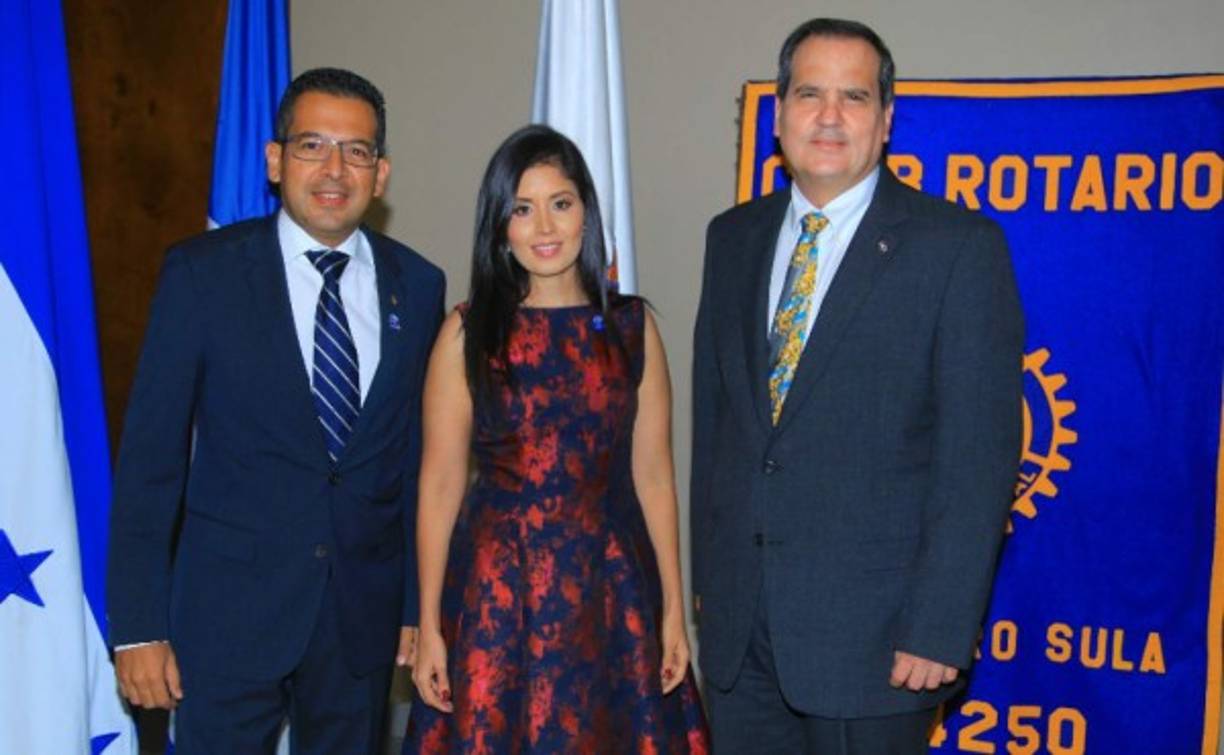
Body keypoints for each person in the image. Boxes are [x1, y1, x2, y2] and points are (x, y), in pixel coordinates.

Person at [690, 18, 1024, 754]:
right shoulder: (732, 239)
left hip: (880, 647)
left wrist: (939, 625)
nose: (831, 116)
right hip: (742, 642)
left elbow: (978, 461)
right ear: (780, 115)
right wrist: (710, 589)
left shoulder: (959, 248)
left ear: (886, 120)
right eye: (810, 94)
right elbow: (717, 431)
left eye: (855, 96)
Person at [107, 67, 444, 753]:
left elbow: (411, 461)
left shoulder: (420, 283)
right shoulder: (202, 274)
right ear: (274, 159)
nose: (334, 168)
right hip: (226, 619)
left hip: (359, 623)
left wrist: (413, 604)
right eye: (312, 144)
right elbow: (151, 462)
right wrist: (139, 626)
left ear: (380, 173)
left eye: (356, 151)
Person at [405, 125, 709, 753]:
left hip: (612, 591)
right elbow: (438, 484)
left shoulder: (631, 328)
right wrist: (431, 624)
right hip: (497, 593)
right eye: (521, 208)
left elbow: (653, 476)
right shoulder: (467, 334)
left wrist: (673, 610)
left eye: (560, 203)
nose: (544, 226)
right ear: (499, 227)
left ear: (586, 215)